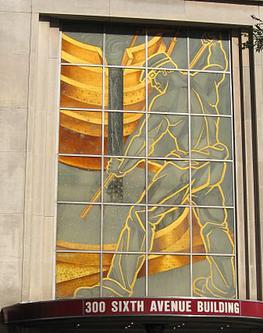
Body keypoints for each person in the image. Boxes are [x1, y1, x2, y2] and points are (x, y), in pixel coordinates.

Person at [76, 40, 235, 298]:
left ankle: (117, 286)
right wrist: (213, 46)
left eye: (153, 78)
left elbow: (143, 140)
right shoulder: (201, 84)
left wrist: (121, 166)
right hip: (214, 164)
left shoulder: (166, 99)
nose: (154, 85)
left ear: (162, 73)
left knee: (141, 215)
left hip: (186, 165)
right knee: (215, 224)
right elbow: (217, 65)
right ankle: (225, 285)